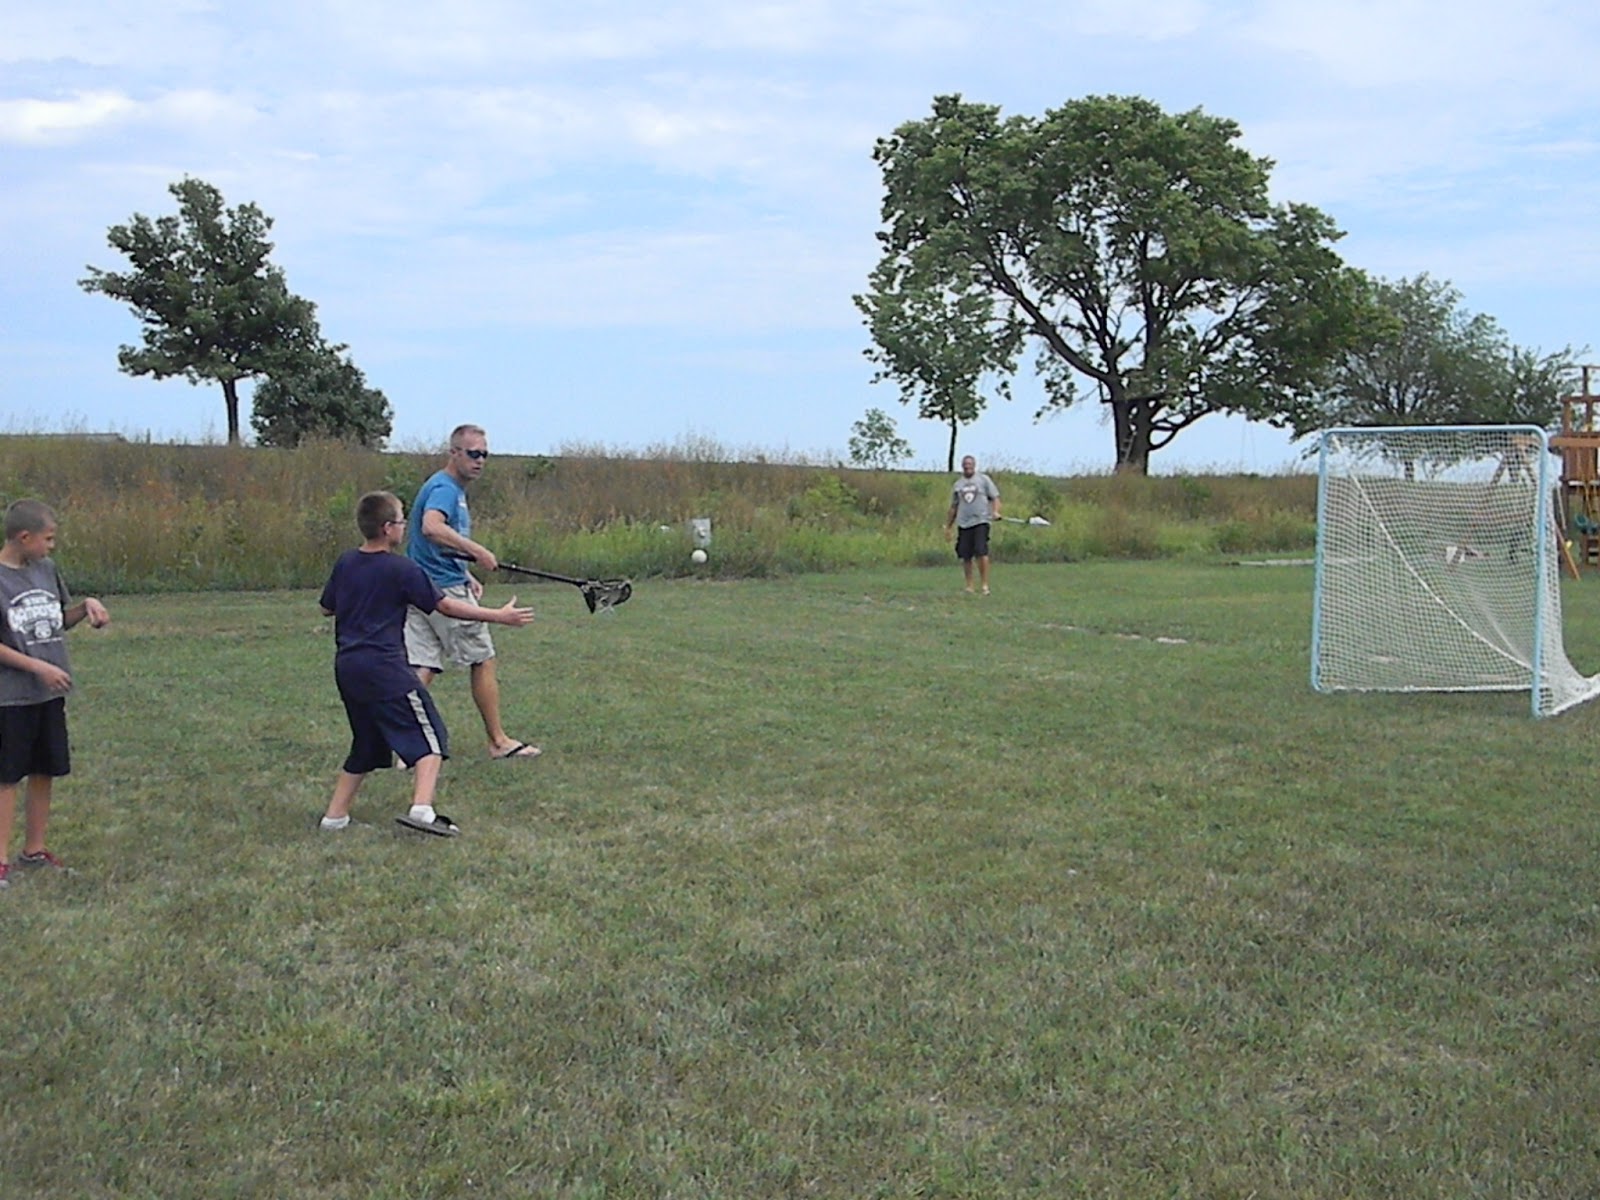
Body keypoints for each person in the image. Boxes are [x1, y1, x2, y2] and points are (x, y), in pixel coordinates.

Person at [319, 491, 534, 836]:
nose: (404, 526)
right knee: (431, 737)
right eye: (401, 520)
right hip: (385, 669)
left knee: (366, 744)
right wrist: (498, 615)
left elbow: (327, 607)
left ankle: (335, 817)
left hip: (348, 668)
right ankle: (422, 810)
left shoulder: (346, 563)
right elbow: (445, 606)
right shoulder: (401, 569)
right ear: (387, 528)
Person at [404, 423, 540, 760]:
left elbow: (433, 545)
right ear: (454, 453)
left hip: (422, 586)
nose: (480, 460)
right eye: (473, 454)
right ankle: (498, 742)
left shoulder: (448, 488)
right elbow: (431, 527)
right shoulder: (445, 489)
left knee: (423, 665)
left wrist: (465, 572)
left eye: (484, 454)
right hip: (441, 588)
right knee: (482, 659)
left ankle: (406, 744)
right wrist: (477, 551)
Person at [0, 499, 110, 886]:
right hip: (10, 697)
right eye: (47, 538)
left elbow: (56, 620)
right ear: (23, 537)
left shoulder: (46, 570)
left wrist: (86, 608)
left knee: (44, 769)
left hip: (48, 695)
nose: (52, 546)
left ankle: (34, 850)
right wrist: (38, 667)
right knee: (7, 776)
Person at [945, 454, 1002, 594]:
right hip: (964, 524)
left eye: (970, 464)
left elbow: (995, 498)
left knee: (981, 552)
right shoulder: (958, 484)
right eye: (965, 464)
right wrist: (948, 526)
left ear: (974, 465)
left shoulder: (983, 480)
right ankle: (969, 586)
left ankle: (984, 585)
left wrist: (995, 512)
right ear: (962, 466)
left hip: (981, 521)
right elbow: (954, 507)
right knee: (966, 555)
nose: (967, 466)